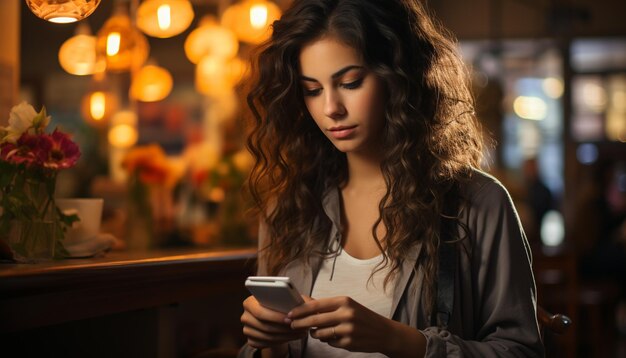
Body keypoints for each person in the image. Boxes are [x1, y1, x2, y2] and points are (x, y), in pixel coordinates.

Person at [239, 0, 543, 357]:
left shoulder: (478, 203)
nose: (330, 108)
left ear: (399, 76)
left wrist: (400, 341)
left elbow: (522, 351)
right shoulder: (289, 208)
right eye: (312, 89)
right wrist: (267, 346)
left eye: (350, 82)